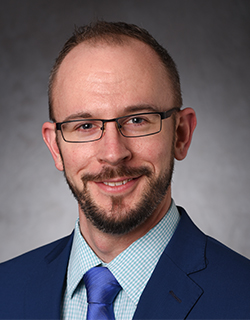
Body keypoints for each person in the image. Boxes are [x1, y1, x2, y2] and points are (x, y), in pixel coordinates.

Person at [0, 21, 250, 320]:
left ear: (181, 134)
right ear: (56, 147)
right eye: (85, 125)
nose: (113, 154)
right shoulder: (7, 290)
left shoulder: (242, 296)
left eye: (137, 120)